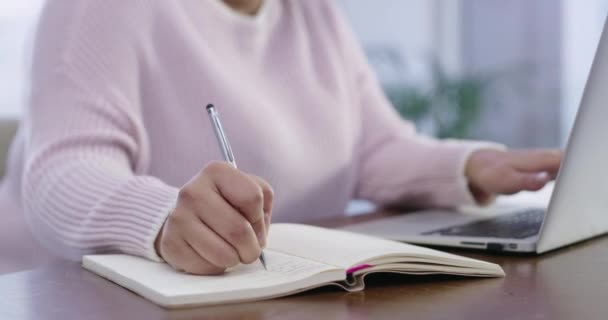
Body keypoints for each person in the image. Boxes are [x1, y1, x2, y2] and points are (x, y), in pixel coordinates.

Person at [2, 0, 561, 275]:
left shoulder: (309, 10)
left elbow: (370, 147)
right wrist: (161, 216)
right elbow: (60, 176)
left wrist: (470, 165)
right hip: (63, 291)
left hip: (259, 292)